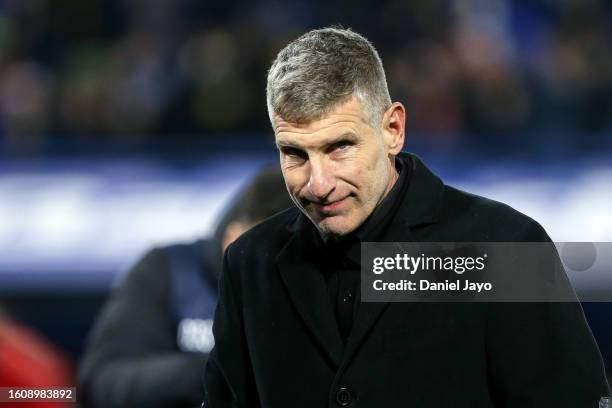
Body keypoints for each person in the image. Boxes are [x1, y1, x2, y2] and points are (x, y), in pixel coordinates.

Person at [203, 27, 609, 407]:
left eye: (340, 147)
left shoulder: (504, 247)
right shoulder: (249, 264)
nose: (318, 183)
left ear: (393, 129)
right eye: (295, 154)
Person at [78, 166, 293, 408]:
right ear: (231, 240)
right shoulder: (168, 271)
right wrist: (213, 372)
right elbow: (101, 383)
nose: (280, 272)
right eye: (268, 253)